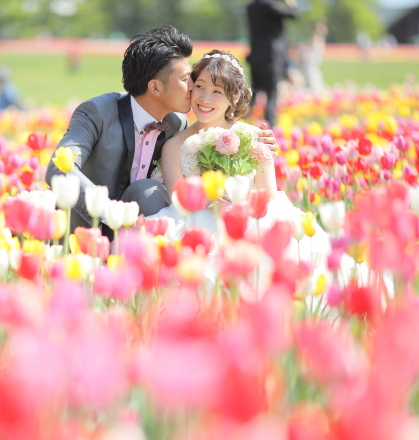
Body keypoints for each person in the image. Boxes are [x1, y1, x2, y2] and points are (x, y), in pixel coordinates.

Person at [150, 50, 373, 291]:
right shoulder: (175, 145)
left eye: (217, 92)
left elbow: (268, 194)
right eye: (200, 87)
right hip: (198, 219)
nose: (205, 98)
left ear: (234, 97)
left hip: (250, 216)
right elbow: (178, 199)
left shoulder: (256, 137)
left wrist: (238, 200)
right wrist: (211, 196)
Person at [45, 25, 279, 237]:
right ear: (155, 88)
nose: (193, 88)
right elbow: (59, 168)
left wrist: (258, 145)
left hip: (150, 224)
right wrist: (109, 212)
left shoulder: (176, 123)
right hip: (87, 228)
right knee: (148, 192)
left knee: (149, 193)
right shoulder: (98, 113)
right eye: (187, 80)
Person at [245, 0, 300, 127]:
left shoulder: (251, 7)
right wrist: (291, 3)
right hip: (271, 56)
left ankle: (244, 119)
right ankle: (269, 124)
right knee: (272, 93)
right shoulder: (271, 5)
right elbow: (294, 14)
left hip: (255, 54)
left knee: (254, 91)